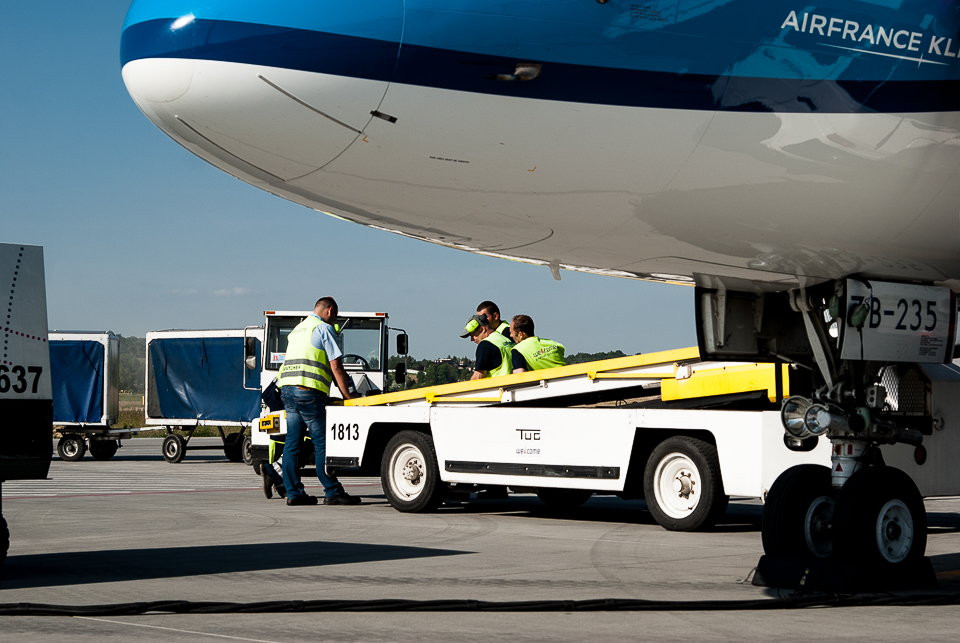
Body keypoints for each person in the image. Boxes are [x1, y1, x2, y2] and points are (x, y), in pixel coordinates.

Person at [277, 297, 361, 506]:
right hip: (308, 391)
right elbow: (336, 367)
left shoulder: (298, 330)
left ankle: (294, 493)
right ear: (329, 310)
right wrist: (349, 397)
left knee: (292, 443)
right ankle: (332, 491)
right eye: (335, 315)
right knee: (322, 441)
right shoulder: (324, 329)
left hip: (287, 389)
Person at [460, 313, 515, 379]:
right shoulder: (505, 339)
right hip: (514, 386)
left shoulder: (485, 345)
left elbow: (478, 377)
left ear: (483, 329)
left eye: (473, 335)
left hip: (497, 387)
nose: (472, 339)